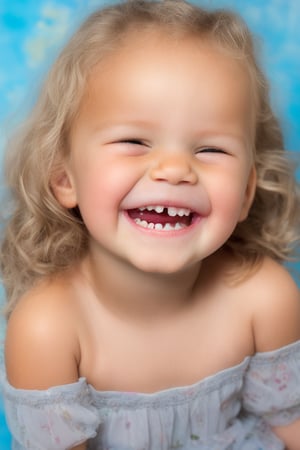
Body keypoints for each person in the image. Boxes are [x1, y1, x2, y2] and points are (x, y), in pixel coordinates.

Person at [0, 0, 300, 448]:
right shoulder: (47, 329)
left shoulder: (266, 297)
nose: (175, 169)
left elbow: (290, 425)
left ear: (246, 194)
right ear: (65, 179)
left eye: (210, 149)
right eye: (134, 141)